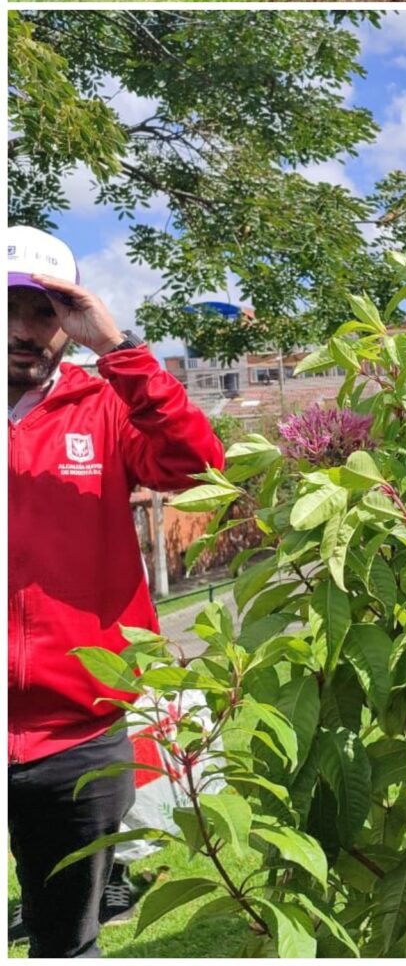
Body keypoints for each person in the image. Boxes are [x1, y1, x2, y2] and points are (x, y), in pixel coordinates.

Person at [7, 227, 225, 959]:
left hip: (78, 733)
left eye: (46, 310)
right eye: (10, 307)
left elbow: (196, 471)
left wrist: (118, 349)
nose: (24, 329)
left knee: (67, 939)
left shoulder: (102, 406)